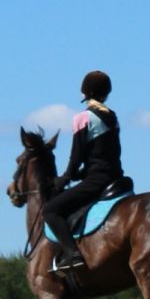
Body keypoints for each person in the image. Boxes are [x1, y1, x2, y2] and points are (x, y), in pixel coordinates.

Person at [42, 71, 123, 271]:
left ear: (86, 91)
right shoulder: (113, 117)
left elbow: (76, 155)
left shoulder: (83, 118)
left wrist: (66, 178)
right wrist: (80, 175)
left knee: (51, 210)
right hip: (115, 177)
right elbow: (103, 154)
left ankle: (72, 254)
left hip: (97, 180)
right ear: (107, 92)